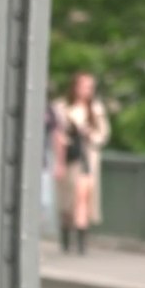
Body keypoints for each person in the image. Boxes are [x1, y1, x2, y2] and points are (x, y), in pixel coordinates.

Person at [51, 72, 110, 254]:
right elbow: (56, 134)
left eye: (90, 87)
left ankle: (81, 242)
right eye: (84, 86)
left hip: (87, 158)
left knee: (83, 197)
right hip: (68, 158)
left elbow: (103, 134)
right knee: (67, 201)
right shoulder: (62, 107)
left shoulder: (96, 109)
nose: (87, 90)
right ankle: (66, 236)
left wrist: (90, 134)